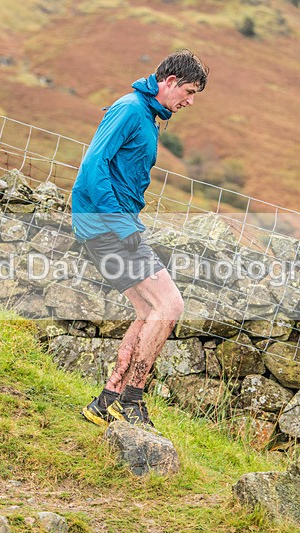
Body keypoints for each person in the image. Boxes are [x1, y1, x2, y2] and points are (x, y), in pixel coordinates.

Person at [71, 49, 209, 431]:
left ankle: (107, 401)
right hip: (107, 227)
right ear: (169, 82)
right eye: (189, 91)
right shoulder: (131, 109)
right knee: (170, 305)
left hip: (111, 225)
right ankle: (131, 401)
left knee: (149, 312)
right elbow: (92, 165)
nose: (190, 101)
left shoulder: (147, 115)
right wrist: (123, 226)